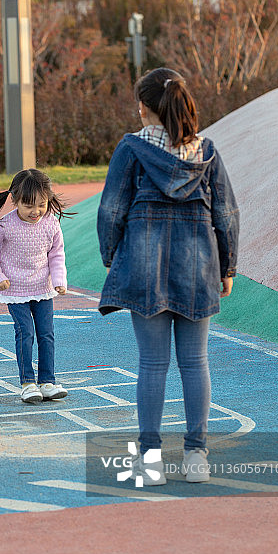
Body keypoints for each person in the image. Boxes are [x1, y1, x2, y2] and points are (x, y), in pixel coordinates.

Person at [97, 67, 239, 485]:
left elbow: (111, 210)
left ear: (143, 107)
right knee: (195, 363)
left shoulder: (131, 149)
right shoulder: (207, 152)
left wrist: (111, 256)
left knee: (152, 365)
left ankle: (151, 460)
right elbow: (226, 214)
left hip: (143, 268)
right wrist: (227, 267)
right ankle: (197, 456)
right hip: (197, 268)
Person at [0, 168, 70, 404]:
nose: (35, 211)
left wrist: (59, 280)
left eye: (41, 204)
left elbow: (57, 254)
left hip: (42, 288)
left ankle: (47, 381)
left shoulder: (51, 224)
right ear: (15, 200)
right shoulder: (5, 225)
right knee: (25, 333)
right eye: (28, 206)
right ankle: (28, 383)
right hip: (14, 290)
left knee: (46, 333)